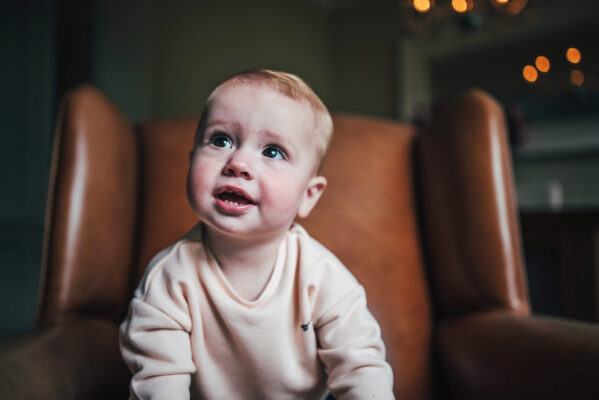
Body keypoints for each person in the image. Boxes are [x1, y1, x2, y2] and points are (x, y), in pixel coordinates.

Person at [119, 69, 394, 399]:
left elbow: (361, 367)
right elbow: (160, 382)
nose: (238, 163)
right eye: (221, 140)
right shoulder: (168, 280)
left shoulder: (322, 277)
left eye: (273, 151)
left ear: (308, 195)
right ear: (191, 162)